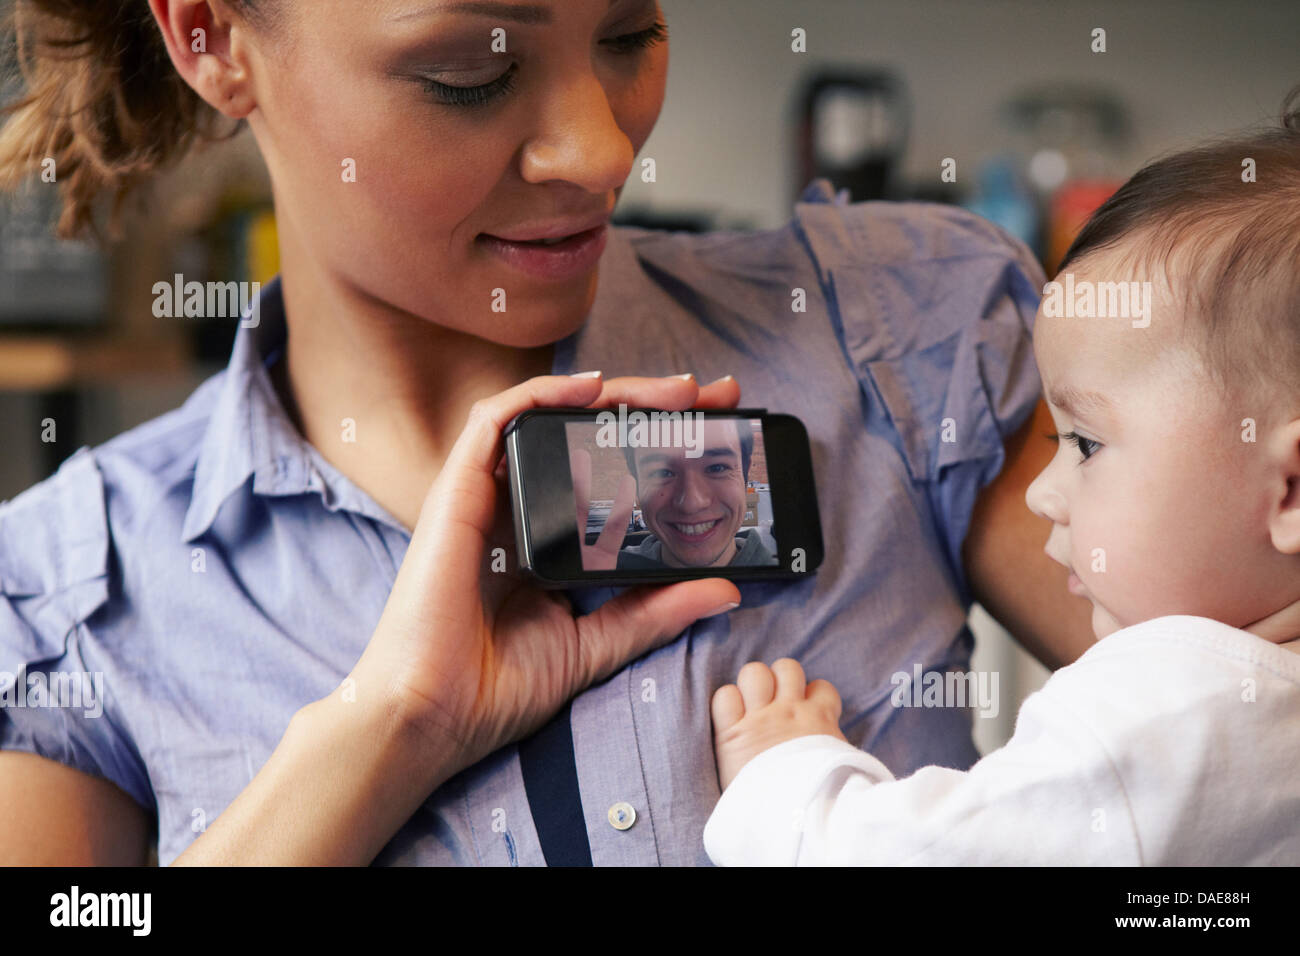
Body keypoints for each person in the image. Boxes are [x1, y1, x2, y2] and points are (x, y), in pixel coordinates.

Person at [0, 0, 1091, 866]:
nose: (601, 149)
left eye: (630, 34)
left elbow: (1245, 757)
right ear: (212, 38)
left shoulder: (903, 331)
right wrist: (392, 724)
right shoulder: (65, 591)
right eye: (470, 71)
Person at [704, 100, 1300, 865]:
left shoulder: (1164, 707)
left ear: (1289, 491)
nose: (1041, 494)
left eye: (1085, 443)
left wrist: (783, 772)